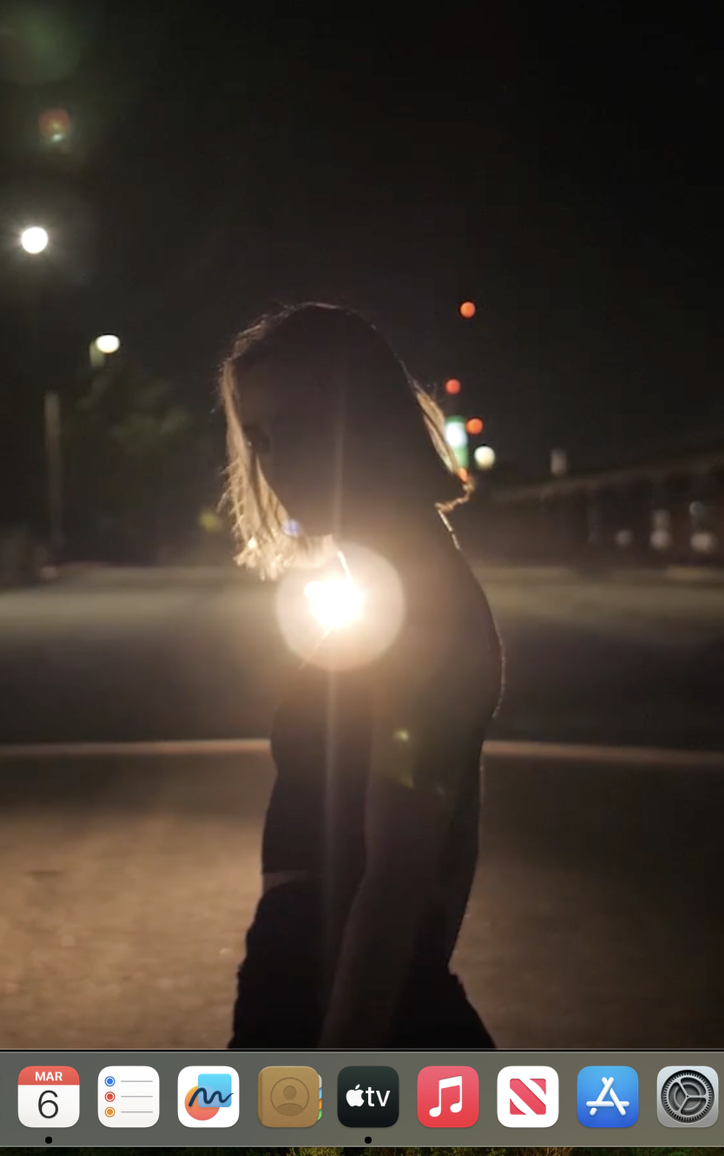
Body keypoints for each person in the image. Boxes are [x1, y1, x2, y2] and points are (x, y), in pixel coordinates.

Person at [217, 302, 504, 1050]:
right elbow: (452, 841)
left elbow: (402, 871)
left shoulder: (424, 598)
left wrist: (341, 1067)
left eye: (300, 425)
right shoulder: (392, 581)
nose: (276, 460)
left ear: (366, 418)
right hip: (315, 976)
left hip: (329, 988)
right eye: (260, 437)